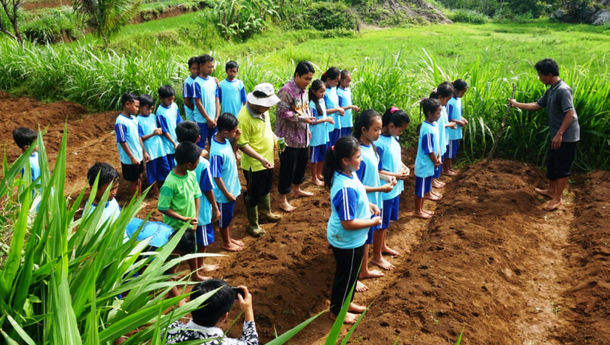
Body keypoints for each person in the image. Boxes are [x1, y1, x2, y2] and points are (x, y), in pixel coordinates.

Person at [323, 136, 382, 324]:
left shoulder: (349, 173)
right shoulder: (344, 188)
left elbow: (359, 196)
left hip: (354, 239)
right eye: (358, 156)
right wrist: (372, 223)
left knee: (351, 275)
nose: (361, 160)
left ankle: (347, 303)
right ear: (345, 160)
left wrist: (370, 205)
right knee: (345, 277)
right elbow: (347, 223)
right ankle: (337, 311)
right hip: (346, 240)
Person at [509, 58, 580, 211]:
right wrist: (516, 104)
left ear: (549, 75)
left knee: (562, 167)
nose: (539, 78)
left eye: (540, 75)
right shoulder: (552, 89)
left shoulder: (563, 90)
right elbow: (537, 105)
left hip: (566, 136)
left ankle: (557, 198)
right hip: (557, 134)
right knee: (552, 163)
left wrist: (560, 134)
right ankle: (550, 191)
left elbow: (571, 114)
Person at [353, 110, 397, 291]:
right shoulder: (358, 154)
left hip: (374, 200)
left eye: (380, 129)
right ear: (364, 130)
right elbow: (356, 185)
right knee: (361, 239)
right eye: (375, 130)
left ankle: (364, 269)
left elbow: (374, 172)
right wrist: (380, 188)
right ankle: (358, 273)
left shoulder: (372, 147)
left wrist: (387, 178)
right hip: (364, 202)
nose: (379, 133)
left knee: (368, 237)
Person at [86, 162, 173, 247]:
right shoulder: (92, 215)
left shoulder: (110, 200)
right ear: (94, 188)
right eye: (110, 189)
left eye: (116, 188)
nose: (114, 193)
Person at [176, 120, 221, 276]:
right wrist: (215, 207)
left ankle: (187, 261)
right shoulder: (203, 163)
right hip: (199, 211)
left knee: (186, 238)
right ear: (198, 139)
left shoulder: (177, 158)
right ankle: (199, 266)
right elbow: (207, 189)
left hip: (181, 208)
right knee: (202, 240)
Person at [237, 83, 282, 237]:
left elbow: (268, 130)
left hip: (267, 159)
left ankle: (266, 213)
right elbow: (242, 144)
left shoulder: (264, 112)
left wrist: (277, 140)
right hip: (254, 164)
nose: (268, 108)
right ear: (256, 103)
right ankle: (253, 224)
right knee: (253, 194)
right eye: (266, 105)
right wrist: (260, 158)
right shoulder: (243, 117)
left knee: (266, 188)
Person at [158, 142, 205, 287]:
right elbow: (162, 207)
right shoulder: (170, 183)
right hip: (175, 227)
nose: (199, 162)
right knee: (174, 254)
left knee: (192, 249)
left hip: (190, 224)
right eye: (197, 160)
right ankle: (170, 282)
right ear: (189, 164)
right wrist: (183, 218)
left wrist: (195, 218)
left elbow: (197, 195)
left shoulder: (191, 175)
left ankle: (195, 274)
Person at [275, 61, 316, 212]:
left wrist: (307, 127)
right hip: (285, 138)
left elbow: (304, 109)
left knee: (301, 164)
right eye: (305, 78)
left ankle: (297, 189)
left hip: (302, 136)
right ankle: (282, 199)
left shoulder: (304, 91)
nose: (307, 82)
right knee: (287, 168)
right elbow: (281, 112)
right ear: (297, 75)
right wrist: (302, 119)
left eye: (310, 79)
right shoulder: (286, 91)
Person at [165, 279, 258, 345]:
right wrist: (248, 309)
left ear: (191, 306)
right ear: (224, 317)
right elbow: (251, 343)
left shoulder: (168, 329)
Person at [374, 107, 410, 270]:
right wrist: (397, 173)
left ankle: (382, 246)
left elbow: (397, 158)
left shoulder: (394, 139)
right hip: (385, 188)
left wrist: (404, 167)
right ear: (390, 125)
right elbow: (378, 170)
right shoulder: (379, 143)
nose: (401, 132)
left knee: (386, 222)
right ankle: (377, 256)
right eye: (400, 129)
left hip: (395, 186)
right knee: (381, 224)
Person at [210, 113, 243, 251]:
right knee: (224, 220)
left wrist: (235, 139)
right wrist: (227, 194)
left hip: (231, 187)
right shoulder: (217, 152)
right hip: (224, 194)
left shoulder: (223, 140)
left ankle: (228, 238)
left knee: (228, 217)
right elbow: (216, 176)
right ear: (225, 131)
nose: (237, 131)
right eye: (234, 130)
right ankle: (226, 242)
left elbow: (233, 149)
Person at [414, 98, 443, 219]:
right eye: (438, 113)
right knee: (420, 190)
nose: (440, 115)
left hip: (430, 164)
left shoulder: (434, 125)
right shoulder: (427, 130)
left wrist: (439, 155)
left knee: (426, 187)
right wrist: (436, 161)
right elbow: (429, 150)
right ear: (429, 114)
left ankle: (421, 208)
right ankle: (418, 210)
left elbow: (436, 145)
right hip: (424, 165)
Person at [115, 93, 148, 197]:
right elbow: (122, 141)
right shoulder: (120, 122)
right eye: (136, 106)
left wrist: (144, 151)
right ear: (127, 104)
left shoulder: (134, 119)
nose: (138, 109)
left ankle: (138, 199)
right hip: (130, 160)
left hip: (138, 156)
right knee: (133, 181)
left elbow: (139, 137)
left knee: (139, 178)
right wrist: (132, 157)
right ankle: (134, 203)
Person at [138, 94, 170, 196]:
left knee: (166, 169)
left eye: (151, 109)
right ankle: (156, 192)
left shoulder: (153, 116)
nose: (150, 111)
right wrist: (153, 134)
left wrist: (160, 131)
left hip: (160, 149)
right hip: (150, 151)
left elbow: (161, 129)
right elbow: (140, 138)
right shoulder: (138, 120)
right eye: (148, 109)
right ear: (140, 107)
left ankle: (165, 188)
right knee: (152, 172)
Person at [429, 82, 457, 189]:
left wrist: (448, 124)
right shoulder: (436, 110)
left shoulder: (442, 108)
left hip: (443, 139)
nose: (447, 102)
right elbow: (438, 126)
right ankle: (432, 181)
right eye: (447, 99)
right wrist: (449, 124)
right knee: (435, 163)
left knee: (440, 160)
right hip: (438, 140)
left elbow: (442, 124)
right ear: (440, 97)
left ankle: (435, 179)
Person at [308, 79, 334, 187]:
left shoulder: (322, 101)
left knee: (322, 155)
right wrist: (326, 119)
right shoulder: (312, 104)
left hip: (323, 134)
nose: (323, 94)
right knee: (314, 158)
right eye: (321, 92)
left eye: (324, 91)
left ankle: (319, 174)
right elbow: (312, 121)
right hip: (315, 136)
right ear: (314, 92)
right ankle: (314, 177)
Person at [193, 54, 220, 149]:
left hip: (214, 120)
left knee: (215, 144)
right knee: (200, 146)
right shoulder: (196, 82)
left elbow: (217, 99)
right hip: (201, 121)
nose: (211, 69)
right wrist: (208, 119)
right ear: (201, 66)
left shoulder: (213, 81)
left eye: (212, 67)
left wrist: (216, 117)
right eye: (209, 67)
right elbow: (198, 102)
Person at [444, 79, 469, 176]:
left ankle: (450, 167)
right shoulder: (450, 102)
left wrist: (463, 119)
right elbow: (448, 118)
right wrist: (458, 121)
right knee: (449, 152)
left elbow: (458, 114)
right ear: (455, 90)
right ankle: (446, 169)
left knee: (453, 151)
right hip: (450, 132)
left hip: (456, 132)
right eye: (462, 92)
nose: (463, 94)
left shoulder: (458, 101)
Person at [156, 85, 182, 170]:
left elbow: (178, 120)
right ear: (161, 98)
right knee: (171, 166)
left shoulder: (174, 106)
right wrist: (173, 143)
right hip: (168, 144)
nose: (171, 101)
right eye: (169, 99)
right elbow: (164, 130)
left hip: (176, 140)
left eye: (172, 99)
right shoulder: (160, 112)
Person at [322, 67, 345, 146]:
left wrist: (339, 109)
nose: (337, 83)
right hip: (327, 126)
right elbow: (322, 110)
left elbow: (336, 104)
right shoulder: (322, 92)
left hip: (336, 124)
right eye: (336, 81)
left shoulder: (333, 89)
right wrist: (336, 109)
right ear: (328, 79)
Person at [337, 70, 360, 137]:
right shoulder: (339, 92)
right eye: (347, 81)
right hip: (342, 123)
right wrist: (351, 107)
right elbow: (338, 108)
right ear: (341, 81)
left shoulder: (348, 90)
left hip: (348, 122)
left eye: (350, 81)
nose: (349, 83)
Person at [183, 56, 199, 121]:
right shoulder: (187, 82)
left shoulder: (202, 80)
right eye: (193, 69)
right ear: (189, 69)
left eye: (198, 69)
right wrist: (197, 110)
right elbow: (187, 102)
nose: (196, 71)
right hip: (192, 113)